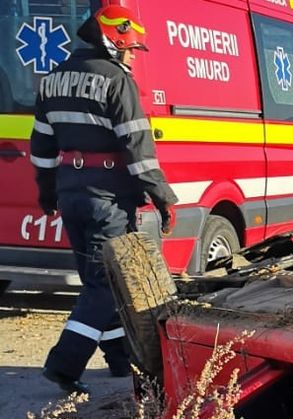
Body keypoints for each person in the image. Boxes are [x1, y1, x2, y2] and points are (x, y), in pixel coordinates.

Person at [30, 4, 177, 394]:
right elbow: (137, 146)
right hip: (108, 197)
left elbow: (42, 144)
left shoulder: (52, 80)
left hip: (70, 193)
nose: (133, 56)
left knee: (96, 279)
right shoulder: (116, 80)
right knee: (106, 284)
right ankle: (64, 364)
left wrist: (47, 192)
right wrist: (162, 196)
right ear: (113, 42)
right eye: (130, 49)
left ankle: (118, 358)